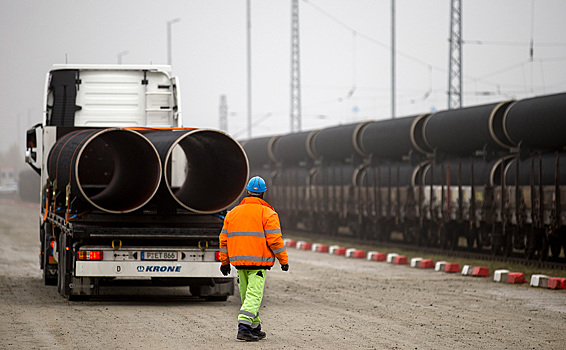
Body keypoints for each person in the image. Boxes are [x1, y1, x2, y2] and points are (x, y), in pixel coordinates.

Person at [219, 176, 289, 342]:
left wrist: (225, 262)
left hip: (239, 263)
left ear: (247, 192)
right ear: (263, 193)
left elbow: (223, 239)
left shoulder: (233, 213)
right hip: (258, 263)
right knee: (254, 296)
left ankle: (254, 328)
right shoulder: (268, 213)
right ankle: (243, 328)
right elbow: (275, 240)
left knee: (246, 296)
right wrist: (283, 260)